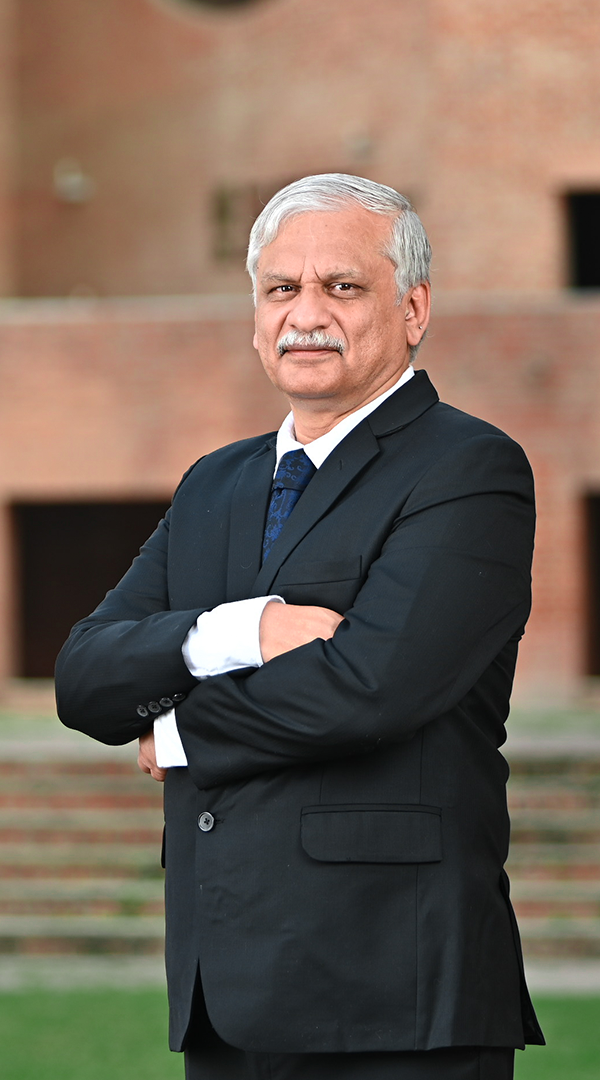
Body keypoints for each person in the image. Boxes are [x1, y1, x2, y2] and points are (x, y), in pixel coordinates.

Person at [55, 174, 544, 1079]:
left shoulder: (469, 470)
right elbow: (84, 677)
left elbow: (371, 685)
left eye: (342, 286)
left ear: (413, 309)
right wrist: (241, 632)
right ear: (256, 314)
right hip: (224, 988)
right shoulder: (216, 482)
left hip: (394, 993)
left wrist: (176, 729)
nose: (305, 313)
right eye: (282, 287)